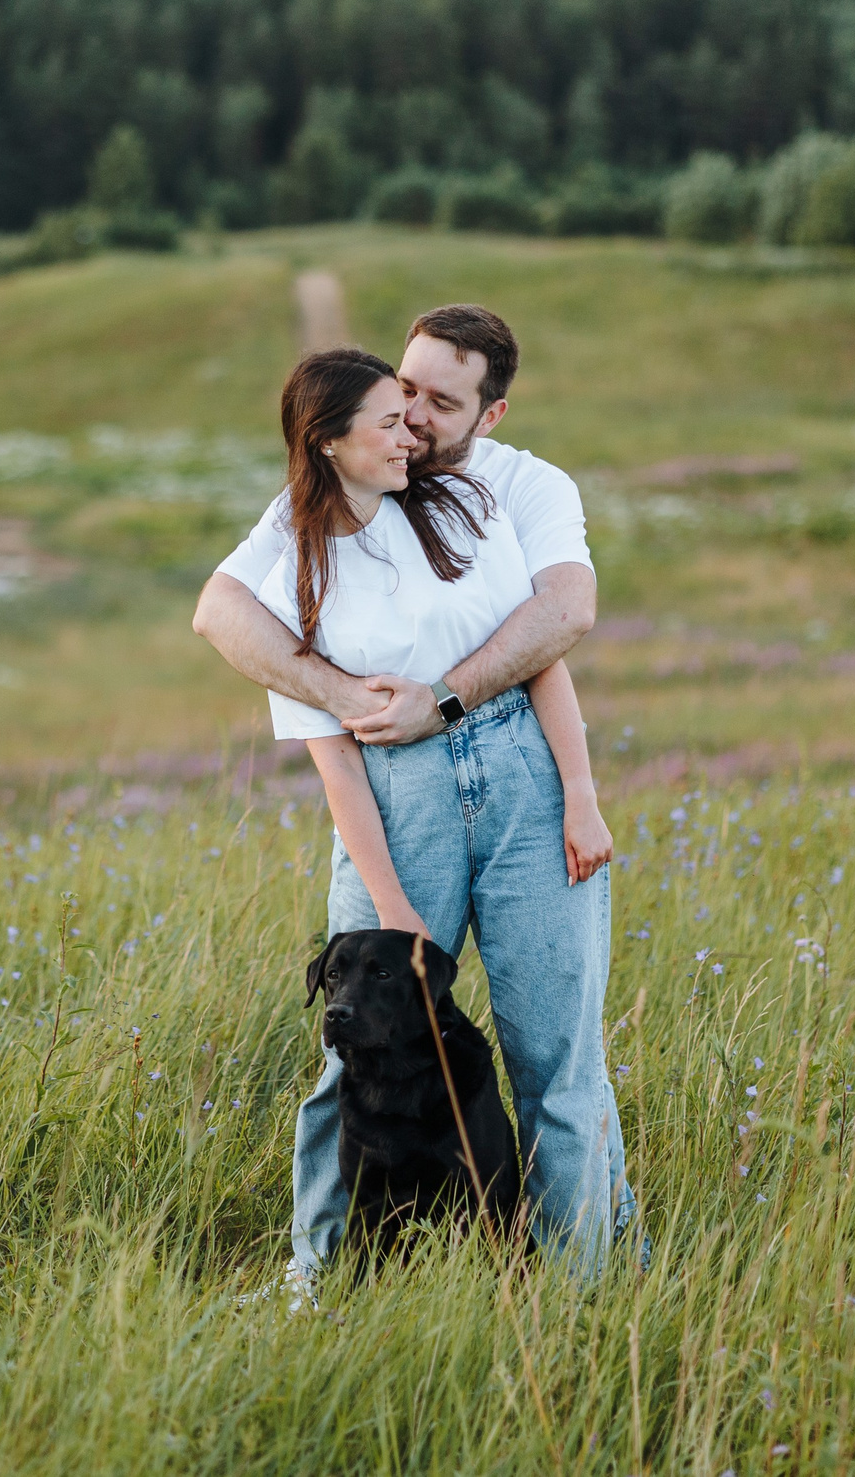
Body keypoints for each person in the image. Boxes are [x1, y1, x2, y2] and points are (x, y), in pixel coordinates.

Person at [195, 308, 632, 1289]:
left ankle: (586, 1285)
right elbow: (303, 718)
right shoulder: (295, 556)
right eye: (399, 402)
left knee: (556, 1059)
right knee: (353, 1040)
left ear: (490, 409)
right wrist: (352, 708)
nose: (414, 424)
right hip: (399, 799)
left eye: (435, 406)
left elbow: (552, 637)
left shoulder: (484, 503)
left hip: (517, 774)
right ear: (338, 433)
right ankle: (321, 1280)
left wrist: (579, 794)